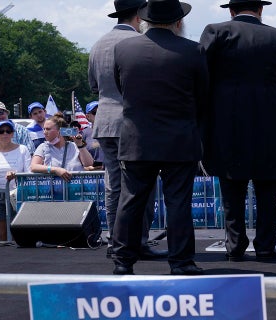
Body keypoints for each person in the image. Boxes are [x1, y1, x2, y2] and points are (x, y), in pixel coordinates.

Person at [112, 0, 207, 276]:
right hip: (179, 139)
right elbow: (203, 97)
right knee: (178, 202)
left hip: (137, 138)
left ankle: (122, 261)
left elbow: (122, 89)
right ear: (178, 23)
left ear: (144, 21)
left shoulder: (124, 48)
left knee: (130, 201)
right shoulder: (193, 51)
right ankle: (181, 262)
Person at [200, 0, 276, 262]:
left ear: (231, 10)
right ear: (261, 9)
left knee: (232, 191)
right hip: (270, 121)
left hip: (228, 122)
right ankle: (265, 246)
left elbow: (202, 73)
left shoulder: (215, 32)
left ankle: (235, 245)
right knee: (268, 191)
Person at [88, 0, 168, 261]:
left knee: (114, 186)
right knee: (141, 186)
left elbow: (93, 85)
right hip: (133, 123)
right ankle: (138, 242)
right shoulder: (139, 43)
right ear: (139, 16)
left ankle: (115, 241)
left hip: (105, 122)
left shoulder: (98, 44)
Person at [29, 116, 94, 180]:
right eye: (44, 129)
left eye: (48, 129)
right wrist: (55, 170)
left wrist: (80, 145)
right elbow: (33, 167)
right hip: (53, 189)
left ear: (59, 131)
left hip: (76, 188)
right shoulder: (43, 147)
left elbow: (88, 163)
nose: (44, 132)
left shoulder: (74, 146)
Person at [80, 101, 104, 170]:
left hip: (112, 174)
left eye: (102, 111)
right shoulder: (84, 134)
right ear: (87, 117)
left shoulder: (114, 131)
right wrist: (86, 168)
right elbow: (78, 159)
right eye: (95, 113)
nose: (100, 115)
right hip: (92, 176)